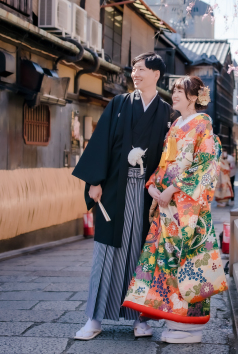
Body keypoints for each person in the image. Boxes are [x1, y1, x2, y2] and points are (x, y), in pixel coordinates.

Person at [71, 53, 173, 341]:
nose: (135, 74)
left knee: (142, 255)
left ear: (156, 74)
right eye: (134, 70)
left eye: (141, 70)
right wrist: (94, 181)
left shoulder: (165, 112)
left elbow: (170, 158)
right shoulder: (118, 104)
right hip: (115, 188)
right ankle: (94, 318)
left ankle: (140, 318)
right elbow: (101, 141)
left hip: (146, 194)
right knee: (105, 254)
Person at [123, 76, 227, 344]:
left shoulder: (203, 123)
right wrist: (153, 187)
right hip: (168, 206)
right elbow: (163, 164)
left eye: (180, 90)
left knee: (188, 263)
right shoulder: (175, 126)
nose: (174, 95)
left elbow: (205, 164)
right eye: (174, 90)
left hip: (187, 208)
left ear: (194, 96)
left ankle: (190, 327)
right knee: (167, 264)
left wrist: (174, 189)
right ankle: (173, 320)